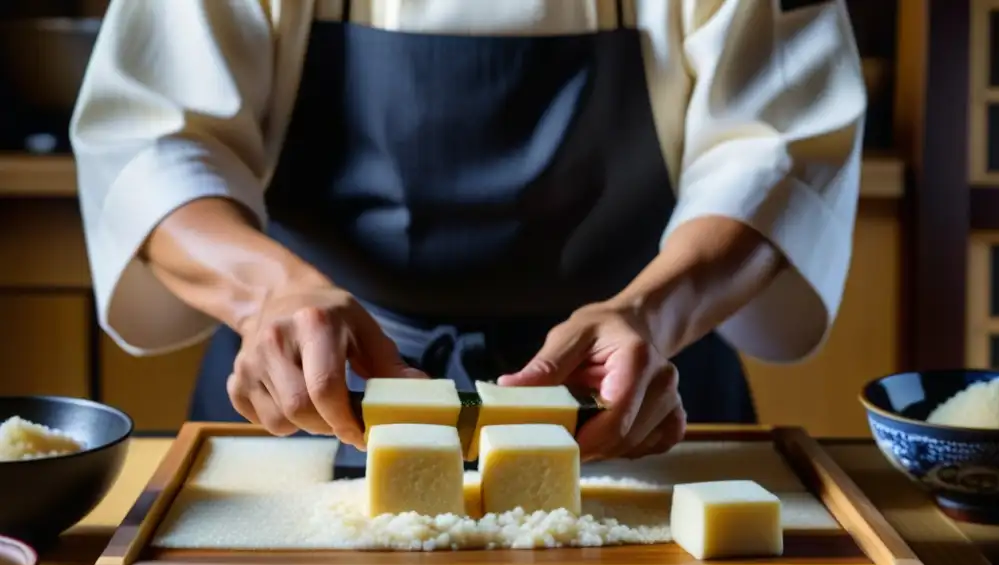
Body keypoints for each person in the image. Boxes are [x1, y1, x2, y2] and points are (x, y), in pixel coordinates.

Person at [71, 0, 865, 461]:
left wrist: (653, 314)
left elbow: (781, 146)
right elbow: (150, 141)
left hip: (629, 399)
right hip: (311, 394)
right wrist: (268, 295)